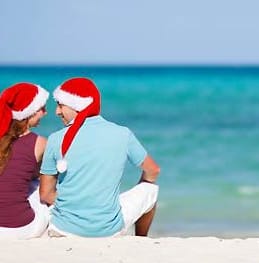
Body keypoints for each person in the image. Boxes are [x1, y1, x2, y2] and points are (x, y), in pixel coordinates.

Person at [39, 77, 160, 237]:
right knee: (150, 189)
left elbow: (46, 194)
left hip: (63, 229)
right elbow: (153, 171)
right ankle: (141, 238)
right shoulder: (122, 134)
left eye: (61, 105)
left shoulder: (55, 138)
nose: (57, 112)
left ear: (78, 106)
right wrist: (142, 183)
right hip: (108, 230)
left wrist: (75, 203)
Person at [0, 82, 50, 239]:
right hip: (20, 227)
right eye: (41, 109)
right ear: (28, 113)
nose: (45, 113)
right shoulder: (40, 143)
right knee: (41, 185)